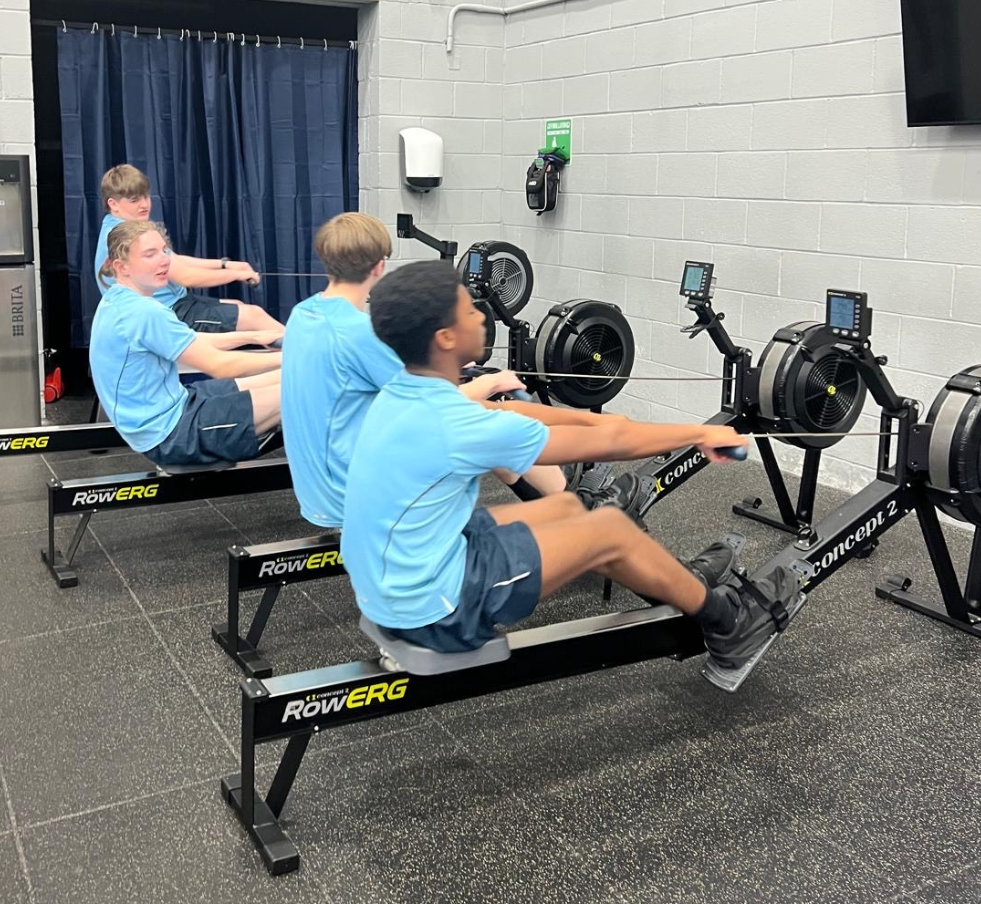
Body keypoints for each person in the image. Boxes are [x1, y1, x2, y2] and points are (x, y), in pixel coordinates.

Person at [340, 261, 804, 689]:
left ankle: (676, 579)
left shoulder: (404, 392)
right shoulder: (454, 423)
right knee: (609, 529)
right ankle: (729, 622)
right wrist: (698, 434)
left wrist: (601, 421)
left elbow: (528, 416)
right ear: (445, 337)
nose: (481, 317)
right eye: (469, 311)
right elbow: (614, 443)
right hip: (437, 609)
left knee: (569, 506)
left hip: (394, 581)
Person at [280, 212, 625, 531]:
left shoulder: (305, 313)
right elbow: (434, 404)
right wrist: (491, 381)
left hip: (318, 490)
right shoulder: (359, 333)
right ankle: (584, 509)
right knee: (490, 421)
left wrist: (451, 366)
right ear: (379, 266)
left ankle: (566, 501)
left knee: (488, 430)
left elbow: (373, 373)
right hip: (355, 496)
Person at [90, 220, 282, 466]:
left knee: (284, 376)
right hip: (172, 434)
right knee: (302, 387)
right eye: (150, 254)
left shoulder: (116, 300)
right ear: (121, 266)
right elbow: (221, 366)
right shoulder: (144, 312)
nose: (164, 260)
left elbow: (191, 341)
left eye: (164, 251)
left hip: (173, 408)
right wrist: (294, 355)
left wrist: (252, 337)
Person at [94, 164, 284, 337]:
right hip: (163, 315)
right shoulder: (125, 236)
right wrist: (236, 274)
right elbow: (186, 277)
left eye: (146, 196)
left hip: (176, 302)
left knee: (239, 307)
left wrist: (225, 264)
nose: (144, 205)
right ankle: (299, 353)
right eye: (134, 200)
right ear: (113, 204)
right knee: (254, 317)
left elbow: (176, 260)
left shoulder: (123, 226)